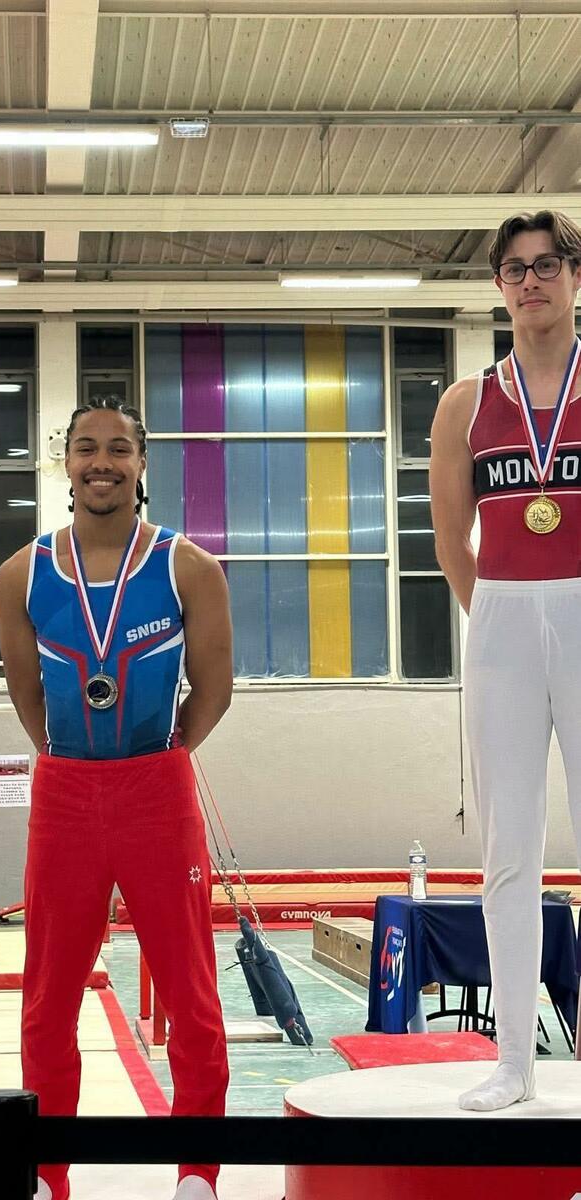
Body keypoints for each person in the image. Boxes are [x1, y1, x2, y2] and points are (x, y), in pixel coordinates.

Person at [0, 396, 233, 1198]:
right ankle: (45, 1172)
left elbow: (215, 689)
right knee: (47, 1000)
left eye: (119, 448)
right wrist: (76, 764)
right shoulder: (21, 575)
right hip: (66, 792)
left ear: (141, 463)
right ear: (66, 462)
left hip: (157, 787)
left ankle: (197, 1173)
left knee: (191, 994)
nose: (103, 462)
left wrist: (157, 761)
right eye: (87, 447)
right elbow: (28, 695)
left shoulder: (188, 567)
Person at [430, 209, 581, 1111]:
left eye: (548, 264)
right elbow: (453, 538)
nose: (532, 281)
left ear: (575, 276)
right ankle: (514, 1062)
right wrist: (496, 623)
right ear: (498, 285)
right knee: (509, 851)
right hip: (502, 615)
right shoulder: (466, 403)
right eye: (516, 269)